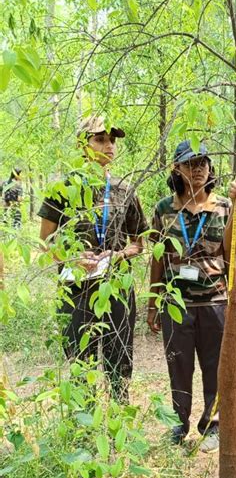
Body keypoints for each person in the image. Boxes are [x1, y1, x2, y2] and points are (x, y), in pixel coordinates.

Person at [38, 116, 148, 402]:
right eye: (100, 139)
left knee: (120, 359)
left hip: (117, 288)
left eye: (112, 140)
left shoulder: (125, 190)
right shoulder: (62, 189)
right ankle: (84, 432)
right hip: (76, 290)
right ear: (82, 145)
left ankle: (119, 423)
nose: (109, 145)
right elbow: (45, 240)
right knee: (80, 362)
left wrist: (120, 254)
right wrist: (72, 257)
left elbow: (139, 243)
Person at [147, 139, 236, 450]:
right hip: (176, 305)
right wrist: (153, 303)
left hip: (215, 302)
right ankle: (179, 421)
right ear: (177, 168)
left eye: (203, 162)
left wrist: (234, 301)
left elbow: (233, 252)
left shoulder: (224, 206)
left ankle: (212, 423)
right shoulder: (164, 209)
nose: (198, 169)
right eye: (190, 163)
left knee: (215, 365)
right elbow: (158, 258)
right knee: (179, 364)